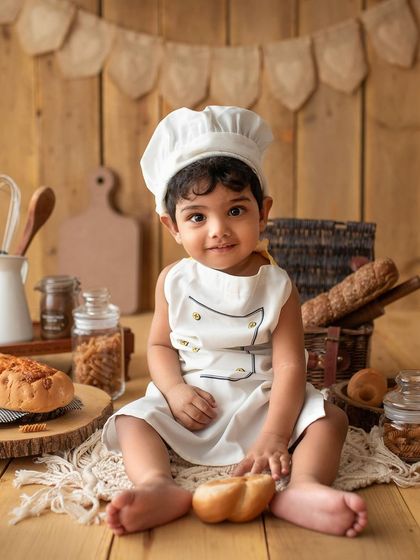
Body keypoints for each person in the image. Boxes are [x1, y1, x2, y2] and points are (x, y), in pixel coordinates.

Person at [102, 106, 368, 537]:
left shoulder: (277, 285)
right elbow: (159, 347)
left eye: (236, 211)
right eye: (197, 217)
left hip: (262, 401)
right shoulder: (173, 281)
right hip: (194, 401)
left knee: (330, 419)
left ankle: (303, 486)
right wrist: (173, 391)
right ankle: (157, 484)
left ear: (263, 212)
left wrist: (277, 434)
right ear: (172, 225)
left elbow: (289, 366)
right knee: (131, 419)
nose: (218, 230)